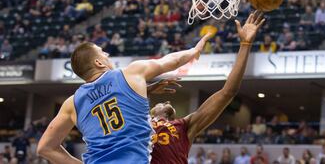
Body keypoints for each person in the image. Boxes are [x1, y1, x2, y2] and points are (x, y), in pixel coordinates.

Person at [36, 34, 212, 163]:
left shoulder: (71, 104)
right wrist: (193, 51)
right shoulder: (131, 73)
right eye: (103, 53)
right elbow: (171, 60)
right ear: (98, 63)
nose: (107, 56)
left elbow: (45, 147)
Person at [149, 11, 266, 164]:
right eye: (162, 102)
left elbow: (228, 92)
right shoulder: (142, 121)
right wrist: (148, 89)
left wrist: (245, 45)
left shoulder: (184, 126)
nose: (166, 102)